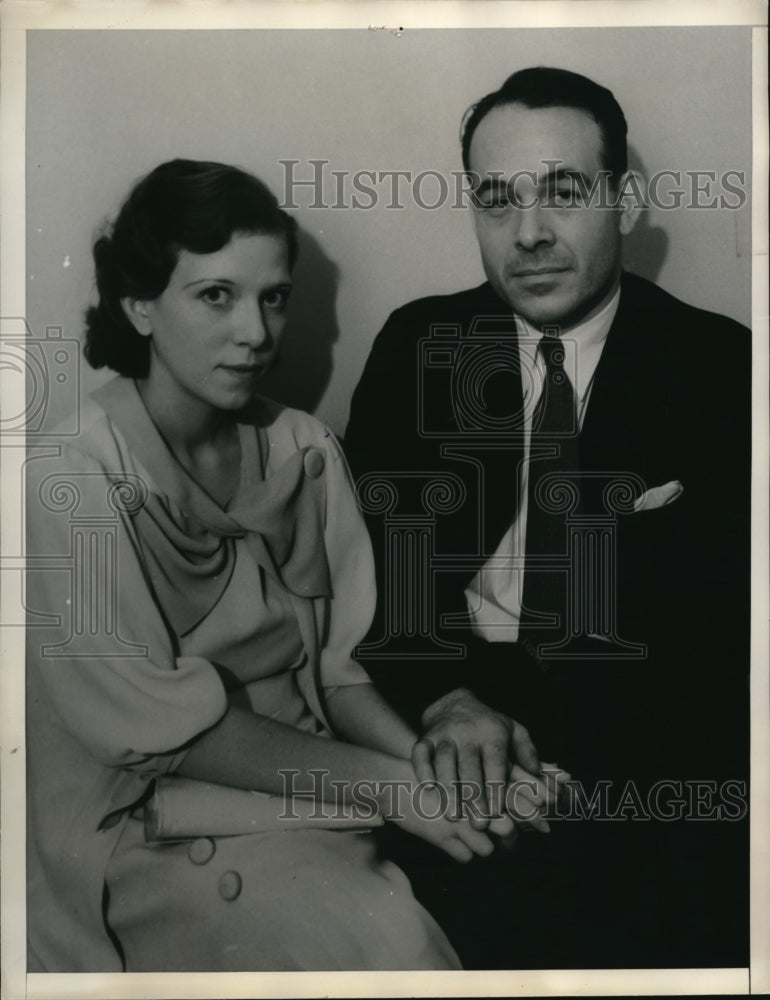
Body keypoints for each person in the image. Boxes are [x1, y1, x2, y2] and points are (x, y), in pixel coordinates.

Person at [25, 158, 560, 973]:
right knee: (386, 948)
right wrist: (399, 793)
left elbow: (342, 675)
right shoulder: (70, 478)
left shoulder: (303, 448)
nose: (256, 332)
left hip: (313, 796)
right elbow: (165, 736)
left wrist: (437, 773)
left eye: (273, 297)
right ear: (138, 305)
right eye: (216, 296)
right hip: (146, 826)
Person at [345, 67, 750, 968]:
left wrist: (558, 778)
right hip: (440, 720)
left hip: (634, 761)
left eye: (562, 193)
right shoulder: (420, 345)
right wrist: (447, 698)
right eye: (497, 200)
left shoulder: (723, 370)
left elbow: (721, 646)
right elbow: (367, 568)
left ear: (624, 199)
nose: (527, 234)